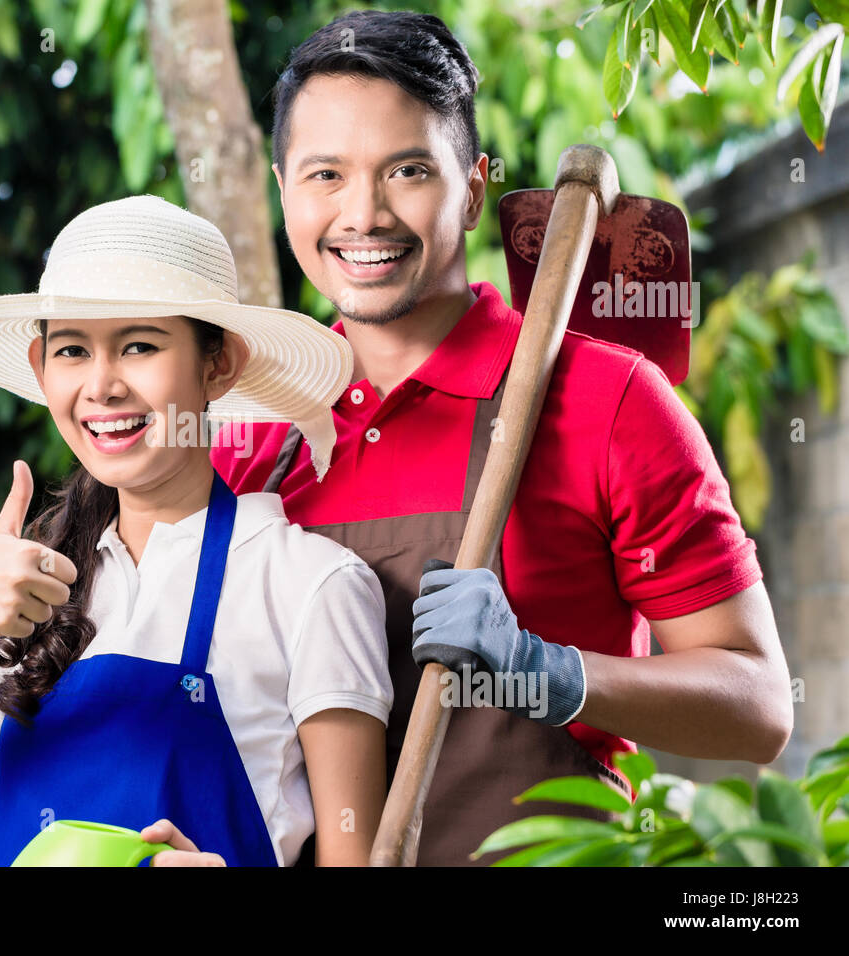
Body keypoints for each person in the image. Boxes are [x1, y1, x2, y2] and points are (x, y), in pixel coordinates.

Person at [211, 10, 793, 865]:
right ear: (281, 188)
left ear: (476, 186)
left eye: (408, 170)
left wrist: (545, 669)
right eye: (324, 175)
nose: (363, 214)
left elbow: (758, 705)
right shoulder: (256, 433)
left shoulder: (609, 399)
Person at [0, 194, 393, 867]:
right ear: (40, 369)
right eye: (71, 350)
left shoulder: (308, 584)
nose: (102, 386)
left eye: (139, 346)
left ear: (219, 364)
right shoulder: (30, 589)